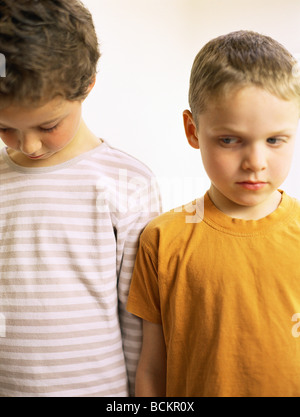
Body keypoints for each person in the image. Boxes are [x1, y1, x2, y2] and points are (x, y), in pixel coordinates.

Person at [0, 0, 161, 397]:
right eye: (4, 127)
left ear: (87, 85)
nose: (29, 144)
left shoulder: (128, 183)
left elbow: (139, 320)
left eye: (48, 125)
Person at [127, 30, 300, 397]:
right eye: (229, 140)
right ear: (193, 130)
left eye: (274, 140)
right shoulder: (161, 240)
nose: (255, 163)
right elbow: (153, 368)